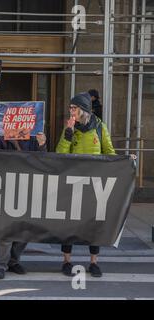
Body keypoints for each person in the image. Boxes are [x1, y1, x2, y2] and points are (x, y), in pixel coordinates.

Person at [56, 92, 115, 278]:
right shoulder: (70, 128)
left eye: (74, 108)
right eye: (70, 108)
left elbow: (109, 151)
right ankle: (66, 260)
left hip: (94, 182)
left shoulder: (99, 126)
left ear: (83, 110)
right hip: (73, 182)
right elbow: (60, 154)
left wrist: (125, 161)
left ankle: (94, 262)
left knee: (94, 223)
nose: (71, 111)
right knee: (70, 224)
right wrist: (68, 134)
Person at [0, 129, 48, 279]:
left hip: (28, 189)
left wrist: (42, 145)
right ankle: (0, 264)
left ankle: (13, 261)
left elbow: (43, 161)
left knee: (24, 230)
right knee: (6, 230)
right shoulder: (3, 138)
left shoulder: (35, 138)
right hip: (7, 188)